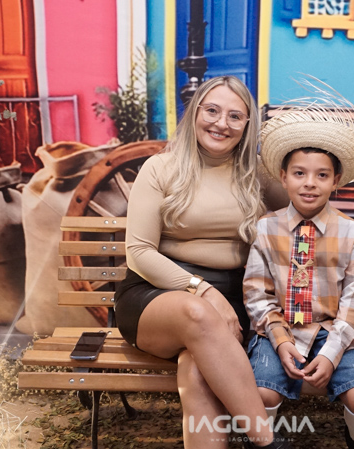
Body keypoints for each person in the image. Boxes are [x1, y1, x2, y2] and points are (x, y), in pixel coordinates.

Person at [114, 75, 290, 449]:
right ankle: (266, 442)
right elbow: (139, 253)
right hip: (156, 296)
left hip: (234, 301)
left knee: (195, 369)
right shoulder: (160, 168)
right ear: (195, 113)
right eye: (211, 111)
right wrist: (203, 291)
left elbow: (308, 211)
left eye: (234, 116)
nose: (221, 123)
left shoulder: (257, 173)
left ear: (247, 125)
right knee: (196, 314)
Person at [244, 101, 354, 449]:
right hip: (279, 330)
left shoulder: (352, 233)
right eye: (299, 173)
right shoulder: (266, 229)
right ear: (283, 177)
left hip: (338, 331)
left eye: (322, 175)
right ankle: (263, 442)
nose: (310, 184)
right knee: (261, 393)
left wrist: (331, 353)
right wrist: (281, 340)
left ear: (336, 181)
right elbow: (257, 294)